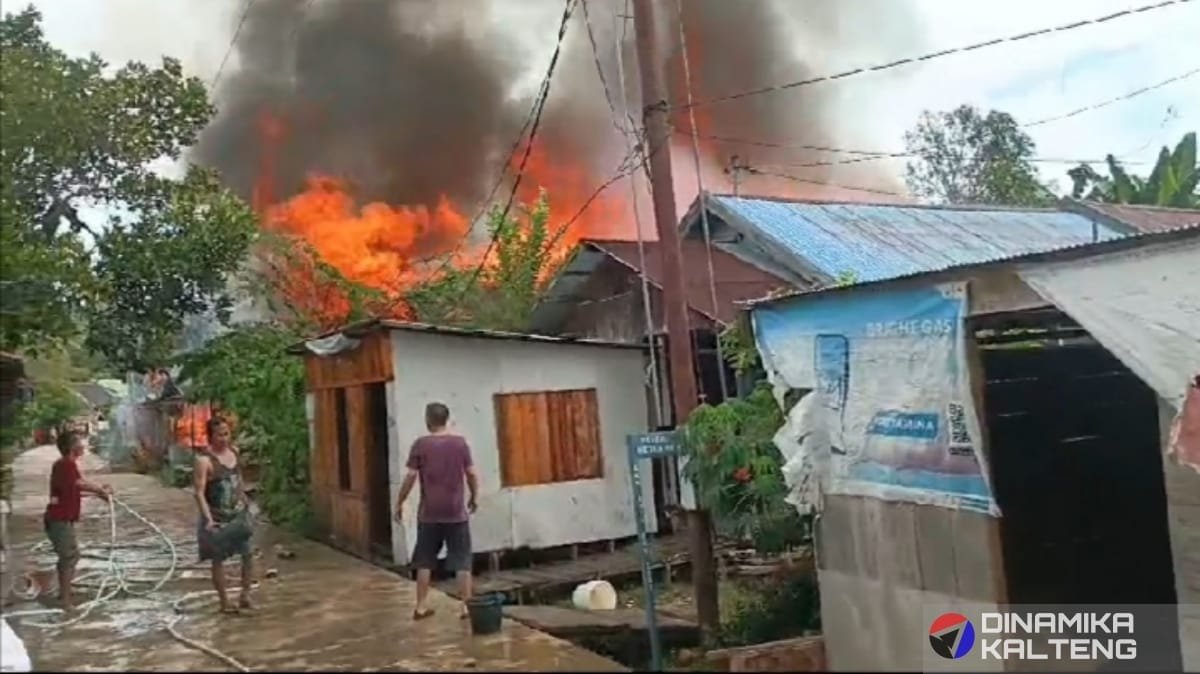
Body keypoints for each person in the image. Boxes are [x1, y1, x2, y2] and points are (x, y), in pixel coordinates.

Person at [395, 402, 479, 621]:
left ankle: (421, 607)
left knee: (424, 560)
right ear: (447, 419)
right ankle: (466, 607)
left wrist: (399, 501)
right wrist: (474, 496)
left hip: (429, 513)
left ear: (427, 420)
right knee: (461, 559)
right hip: (455, 512)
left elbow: (410, 477)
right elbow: (471, 474)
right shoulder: (459, 444)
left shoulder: (420, 445)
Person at [44, 429, 112, 611]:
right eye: (80, 442)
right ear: (72, 446)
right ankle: (65, 601)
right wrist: (99, 490)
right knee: (70, 556)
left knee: (67, 556)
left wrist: (99, 493)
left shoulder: (67, 465)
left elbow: (74, 488)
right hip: (59, 519)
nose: (83, 445)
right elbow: (78, 484)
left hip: (61, 519)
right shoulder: (65, 464)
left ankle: (63, 593)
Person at [193, 416, 256, 615]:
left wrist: (247, 502)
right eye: (219, 435)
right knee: (218, 559)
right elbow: (198, 492)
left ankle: (245, 595)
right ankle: (224, 602)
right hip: (217, 517)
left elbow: (239, 481)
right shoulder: (203, 461)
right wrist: (208, 519)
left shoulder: (235, 453)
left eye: (227, 434)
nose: (224, 438)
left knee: (248, 554)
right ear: (210, 436)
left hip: (238, 514)